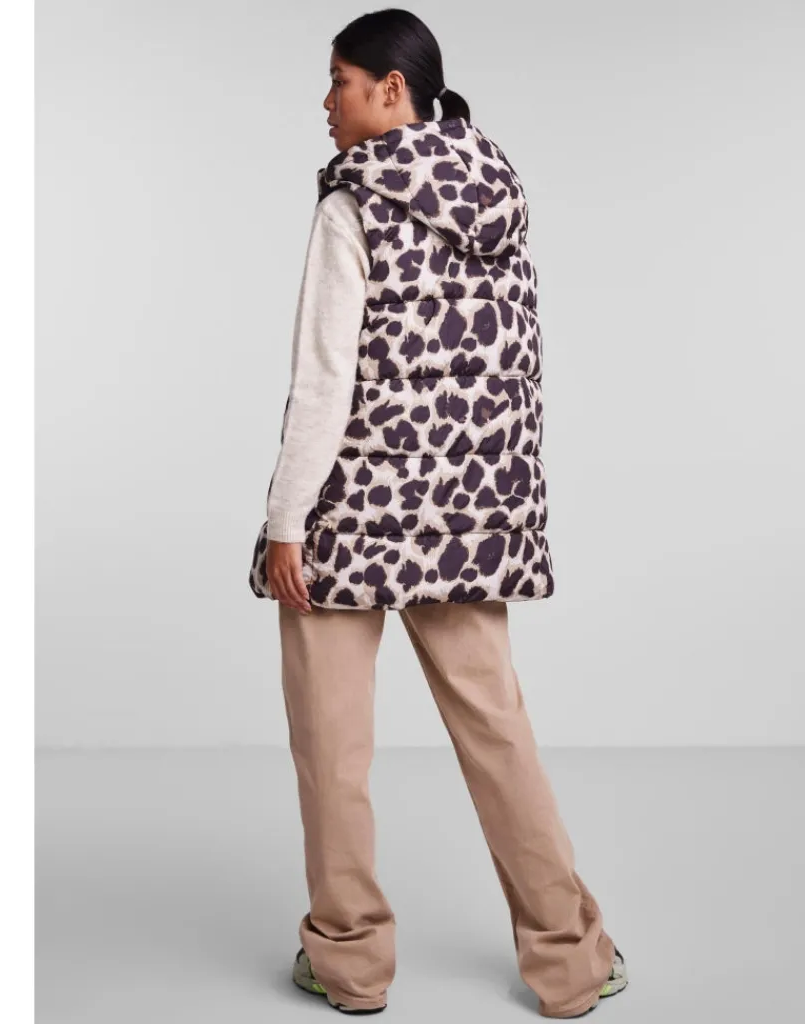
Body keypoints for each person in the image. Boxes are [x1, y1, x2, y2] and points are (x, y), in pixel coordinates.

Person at [247, 9, 628, 1018]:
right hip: (465, 514)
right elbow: (512, 370)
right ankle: (571, 960)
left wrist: (285, 521)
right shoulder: (496, 188)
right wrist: (495, 503)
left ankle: (349, 962)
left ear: (390, 88)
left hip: (350, 510)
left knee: (333, 747)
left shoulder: (354, 202)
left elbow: (323, 379)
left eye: (339, 80)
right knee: (498, 733)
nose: (325, 102)